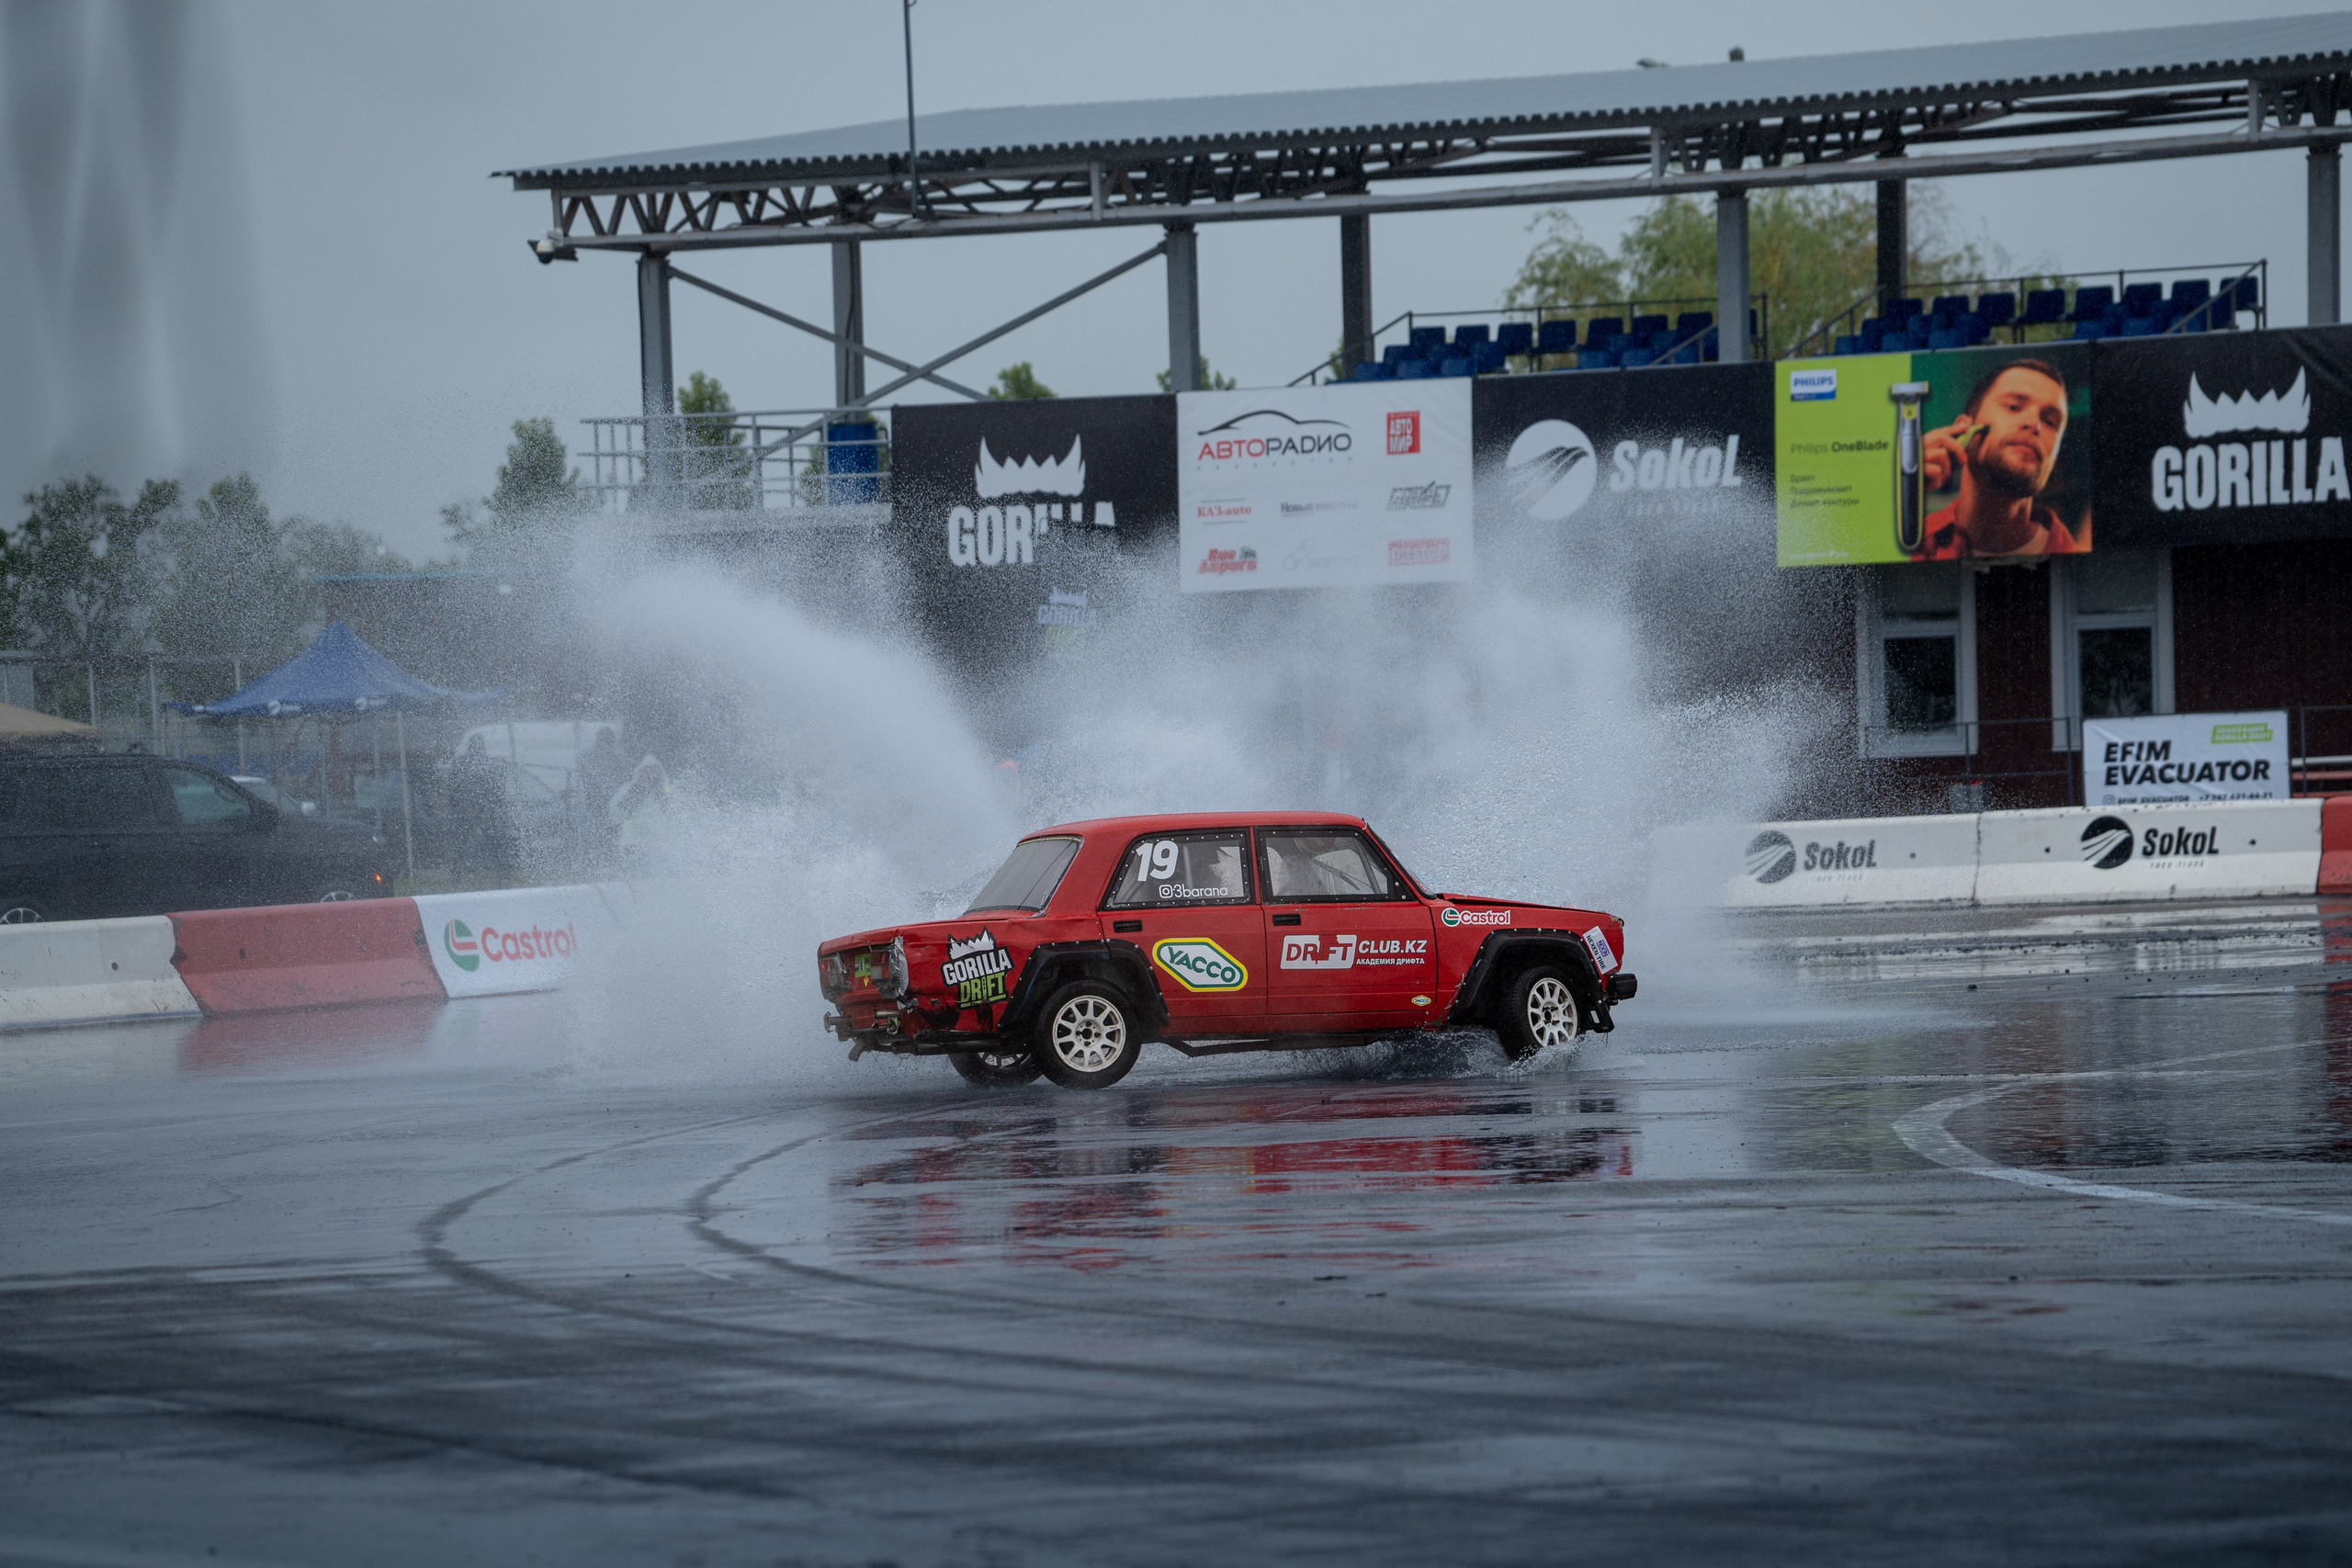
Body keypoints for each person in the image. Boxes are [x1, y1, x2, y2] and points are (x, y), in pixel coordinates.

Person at [1913, 359, 2090, 560]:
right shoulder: (1906, 542)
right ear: (1964, 428)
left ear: (2054, 459)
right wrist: (1898, 496)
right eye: (2014, 407)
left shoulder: (2076, 562)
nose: (2034, 424)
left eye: (2050, 422)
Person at [446, 733, 515, 883]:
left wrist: (455, 804)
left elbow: (452, 788)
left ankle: (458, 874)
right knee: (490, 841)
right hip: (478, 808)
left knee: (465, 842)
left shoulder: (462, 763)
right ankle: (502, 873)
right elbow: (498, 789)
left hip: (471, 809)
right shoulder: (487, 764)